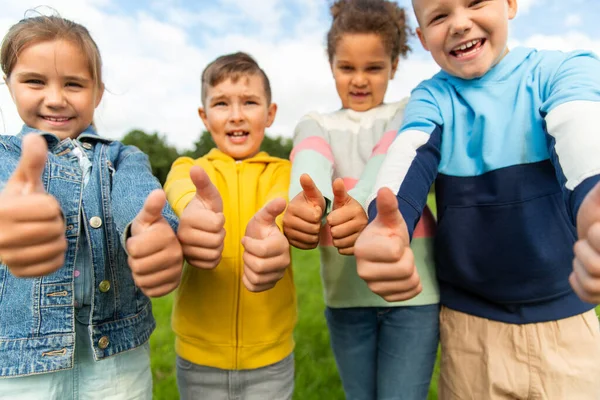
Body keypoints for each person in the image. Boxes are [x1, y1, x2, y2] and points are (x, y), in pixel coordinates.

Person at [356, 0, 600, 398]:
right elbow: (408, 153)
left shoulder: (563, 69)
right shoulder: (431, 98)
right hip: (470, 335)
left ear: (510, 4)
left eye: (474, 3)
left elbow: (580, 131)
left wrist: (594, 204)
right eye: (439, 16)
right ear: (421, 37)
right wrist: (387, 224)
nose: (460, 24)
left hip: (570, 327)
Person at [0, 14, 183, 399]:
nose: (55, 98)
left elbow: (138, 197)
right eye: (35, 81)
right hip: (20, 364)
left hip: (117, 357)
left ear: (97, 92)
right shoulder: (4, 155)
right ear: (9, 84)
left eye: (73, 84)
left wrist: (150, 232)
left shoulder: (122, 157)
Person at [282, 0, 439, 398]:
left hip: (413, 295)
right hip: (346, 300)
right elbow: (311, 158)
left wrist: (362, 206)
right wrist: (306, 202)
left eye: (374, 68)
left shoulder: (406, 112)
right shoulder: (316, 122)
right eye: (347, 67)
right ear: (330, 64)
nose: (359, 80)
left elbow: (389, 159)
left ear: (394, 67)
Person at [164, 52, 296, 400]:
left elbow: (283, 206)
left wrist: (275, 232)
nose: (236, 115)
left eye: (249, 102)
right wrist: (191, 210)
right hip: (198, 359)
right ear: (205, 117)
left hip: (271, 358)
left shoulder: (283, 171)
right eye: (222, 104)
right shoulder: (188, 167)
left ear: (270, 114)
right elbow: (179, 189)